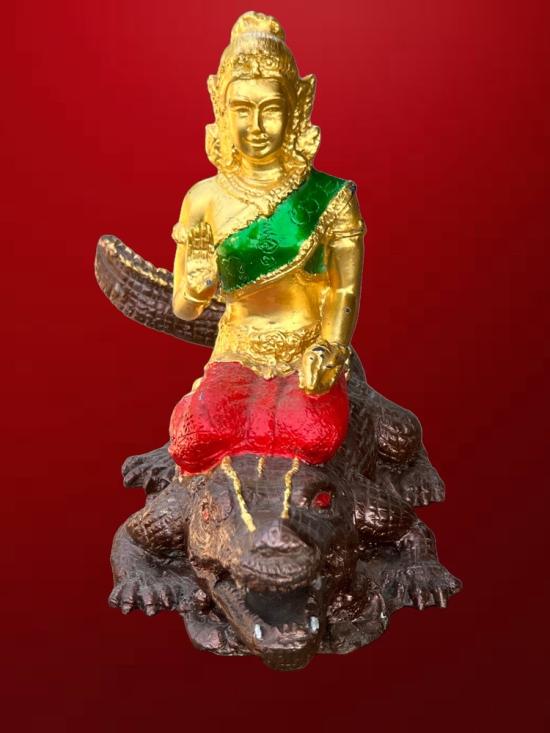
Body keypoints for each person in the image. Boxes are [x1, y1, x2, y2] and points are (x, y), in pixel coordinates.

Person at [169, 11, 365, 475]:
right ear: (222, 110)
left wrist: (330, 349)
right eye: (242, 109)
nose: (256, 125)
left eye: (271, 109)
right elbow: (183, 308)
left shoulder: (330, 198)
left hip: (305, 346)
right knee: (196, 436)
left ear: (296, 109)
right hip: (238, 347)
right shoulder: (203, 200)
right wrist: (197, 285)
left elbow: (343, 289)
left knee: (312, 434)